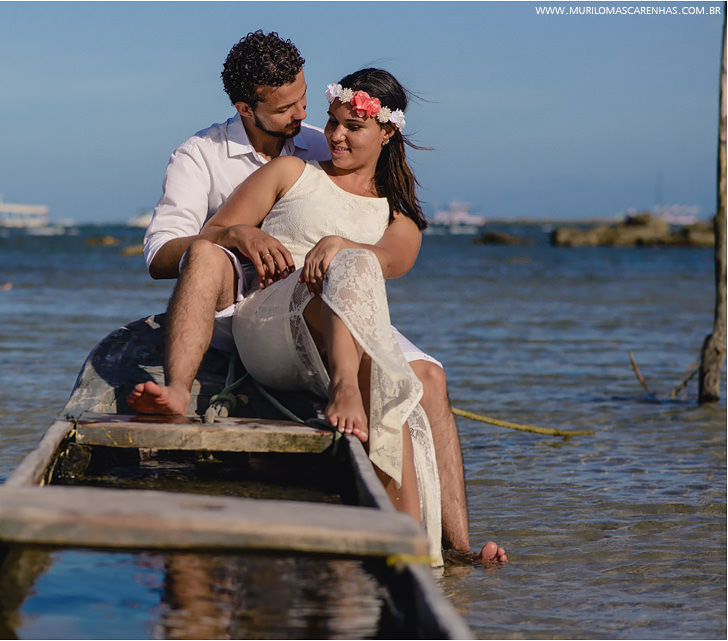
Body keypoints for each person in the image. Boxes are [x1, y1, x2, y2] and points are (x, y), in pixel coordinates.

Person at [130, 32, 504, 565]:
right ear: (246, 107)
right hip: (267, 306)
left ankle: (450, 550)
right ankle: (327, 392)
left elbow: (393, 258)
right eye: (318, 117)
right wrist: (240, 234)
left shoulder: (370, 189)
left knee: (427, 377)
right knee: (262, 266)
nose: (319, 126)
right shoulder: (219, 158)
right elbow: (180, 246)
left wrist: (343, 245)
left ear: (387, 133)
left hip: (348, 311)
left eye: (314, 106)